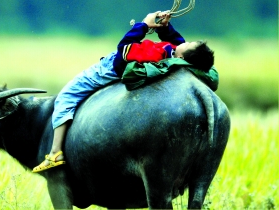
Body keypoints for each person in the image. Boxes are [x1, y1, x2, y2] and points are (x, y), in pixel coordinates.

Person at [32, 11, 215, 173]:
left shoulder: (156, 55)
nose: (186, 41)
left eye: (189, 44)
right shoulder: (175, 55)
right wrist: (164, 27)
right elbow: (179, 42)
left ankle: (55, 152)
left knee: (66, 96)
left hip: (110, 68)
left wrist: (143, 25)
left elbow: (124, 49)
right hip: (126, 61)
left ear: (182, 57)